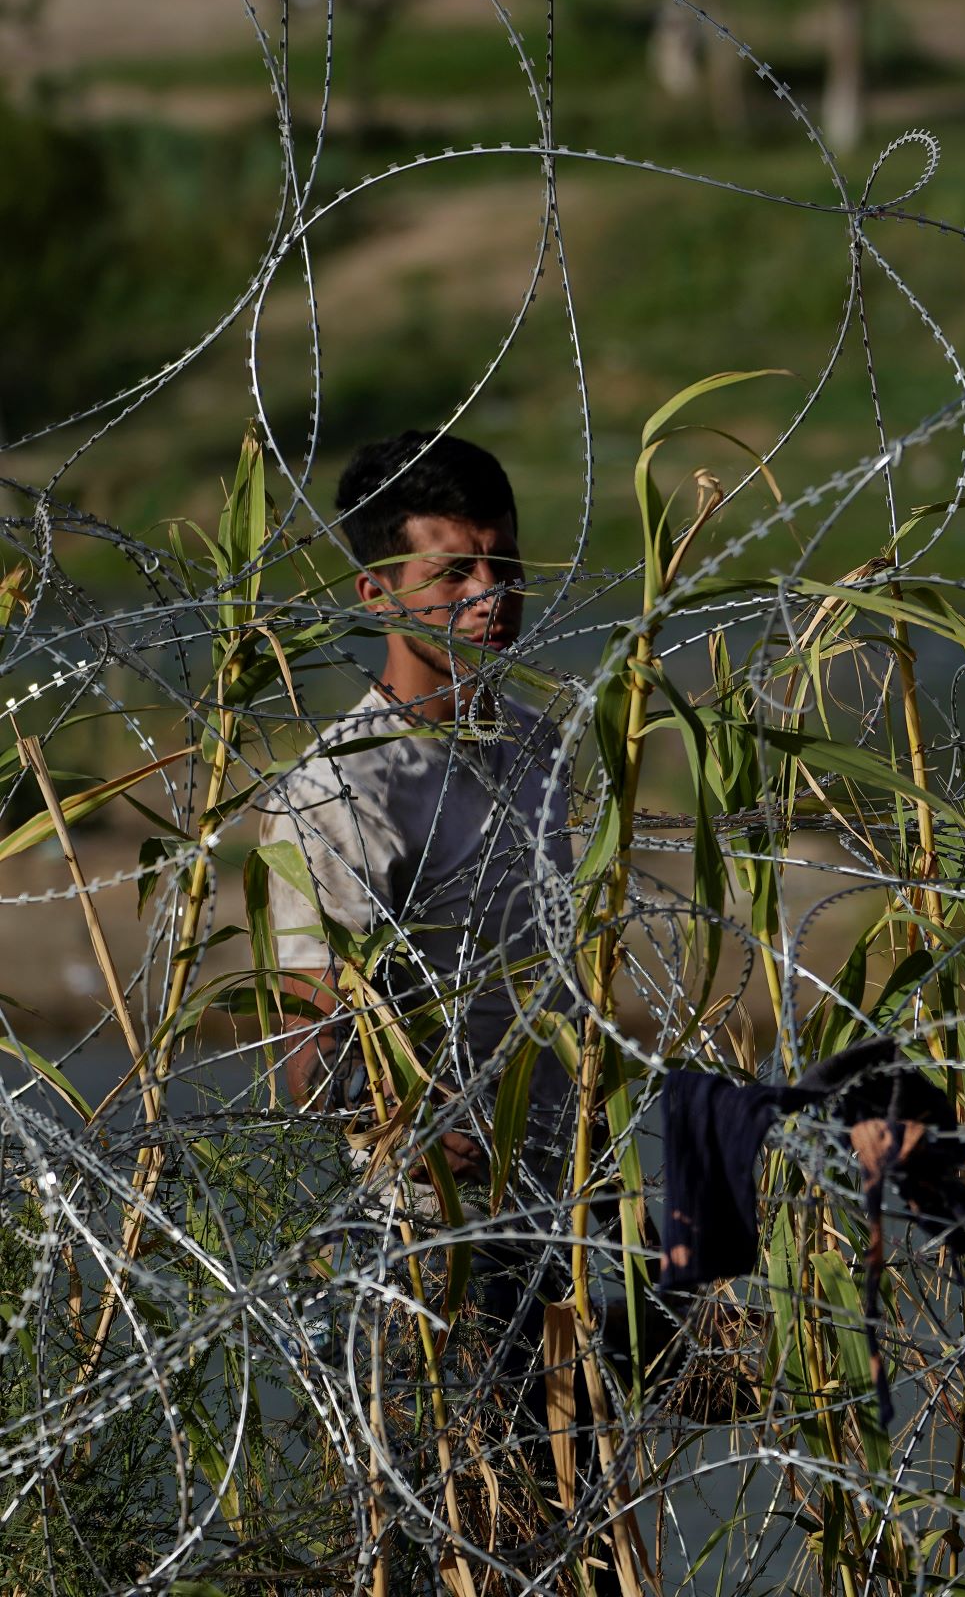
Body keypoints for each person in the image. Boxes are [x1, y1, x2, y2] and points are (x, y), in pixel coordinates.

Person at [255, 431, 588, 1428]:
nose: (491, 593)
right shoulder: (336, 790)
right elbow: (313, 1059)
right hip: (427, 1238)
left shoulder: (538, 749)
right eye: (453, 571)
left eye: (505, 565)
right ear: (378, 594)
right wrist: (433, 1123)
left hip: (563, 1206)